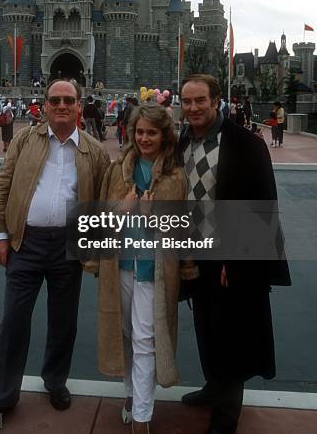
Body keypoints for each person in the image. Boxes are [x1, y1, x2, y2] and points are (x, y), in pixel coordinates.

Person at [0, 79, 110, 431]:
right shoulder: (24, 139)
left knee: (63, 322)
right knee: (13, 322)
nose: (62, 105)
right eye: (55, 100)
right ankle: (2, 397)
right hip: (25, 243)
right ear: (46, 105)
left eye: (69, 100)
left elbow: (101, 201)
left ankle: (55, 381)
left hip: (69, 247)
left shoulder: (94, 151)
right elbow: (2, 186)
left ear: (80, 106)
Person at [178, 74, 291, 434]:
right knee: (206, 326)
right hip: (196, 253)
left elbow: (262, 205)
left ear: (216, 101)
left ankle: (226, 416)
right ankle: (213, 388)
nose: (193, 108)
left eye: (200, 101)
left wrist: (237, 259)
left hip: (229, 257)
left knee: (232, 334)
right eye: (187, 101)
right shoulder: (184, 140)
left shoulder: (245, 144)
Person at [96, 103, 198, 434]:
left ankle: (142, 415)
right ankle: (131, 394)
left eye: (151, 132)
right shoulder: (116, 171)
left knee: (145, 340)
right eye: (140, 131)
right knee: (125, 334)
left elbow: (183, 229)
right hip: (120, 267)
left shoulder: (174, 176)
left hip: (153, 271)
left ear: (164, 135)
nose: (144, 138)